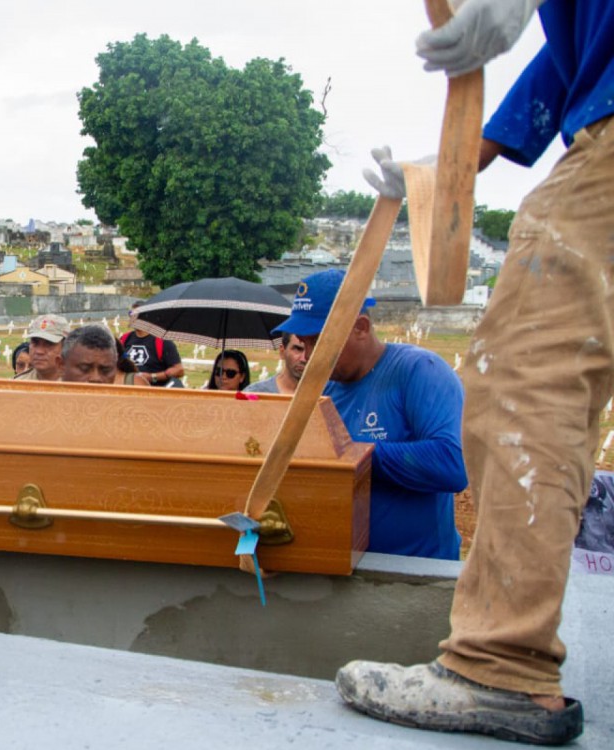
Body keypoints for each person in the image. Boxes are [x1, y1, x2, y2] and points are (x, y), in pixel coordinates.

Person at [336, 1, 608, 744]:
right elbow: (577, 60)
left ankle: (502, 665)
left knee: (524, 376)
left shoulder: (413, 373)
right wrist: (445, 169)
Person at [277, 269, 467, 560]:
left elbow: (451, 464)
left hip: (414, 574)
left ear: (361, 327)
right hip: (345, 570)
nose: (308, 355)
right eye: (303, 343)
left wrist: (353, 455)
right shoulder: (323, 389)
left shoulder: (419, 371)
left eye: (318, 341)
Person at [122, 302, 184, 387]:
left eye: (138, 314)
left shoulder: (163, 341)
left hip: (154, 393)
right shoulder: (124, 339)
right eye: (131, 313)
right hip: (129, 391)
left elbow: (179, 370)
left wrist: (152, 377)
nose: (133, 317)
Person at [14, 314, 69, 382]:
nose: (39, 351)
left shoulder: (78, 385)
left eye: (49, 344)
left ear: (65, 347)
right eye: (35, 342)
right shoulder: (18, 384)